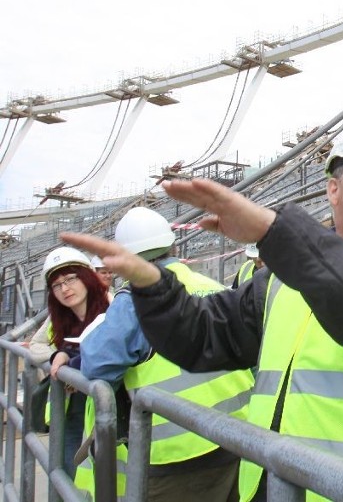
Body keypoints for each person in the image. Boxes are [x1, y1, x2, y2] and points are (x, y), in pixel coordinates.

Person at [61, 112, 343, 501]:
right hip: (271, 482)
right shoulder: (281, 277)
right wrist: (154, 286)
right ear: (333, 188)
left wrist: (274, 232)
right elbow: (205, 336)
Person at [66, 207, 254, 502]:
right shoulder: (212, 287)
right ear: (173, 245)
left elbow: (96, 366)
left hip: (176, 458)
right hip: (236, 441)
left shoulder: (133, 303)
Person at [30, 247, 109, 478]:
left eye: (70, 279)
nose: (65, 289)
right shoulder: (58, 316)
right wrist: (58, 355)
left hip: (106, 406)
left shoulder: (113, 305)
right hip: (72, 406)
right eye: (57, 285)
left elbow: (111, 352)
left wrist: (73, 364)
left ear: (86, 277)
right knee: (67, 469)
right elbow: (35, 348)